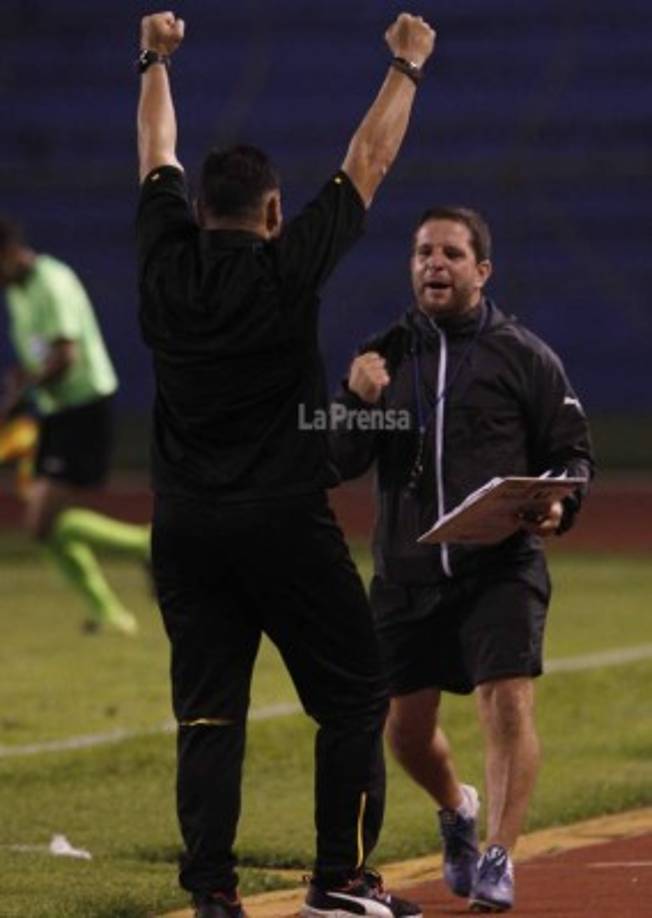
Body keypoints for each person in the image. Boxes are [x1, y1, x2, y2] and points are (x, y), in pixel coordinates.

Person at [135, 9, 436, 918]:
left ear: (195, 211)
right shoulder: (286, 266)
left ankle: (212, 895)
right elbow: (369, 160)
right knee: (355, 696)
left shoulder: (163, 261)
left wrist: (153, 59)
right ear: (273, 215)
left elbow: (155, 149)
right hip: (283, 524)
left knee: (207, 714)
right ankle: (340, 881)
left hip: (184, 528)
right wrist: (406, 67)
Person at [328, 206, 594, 913]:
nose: (434, 264)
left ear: (482, 270)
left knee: (506, 701)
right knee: (406, 733)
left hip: (500, 566)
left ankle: (499, 856)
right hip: (407, 575)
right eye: (423, 253)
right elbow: (338, 459)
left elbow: (572, 453)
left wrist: (559, 505)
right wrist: (353, 401)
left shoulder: (523, 355)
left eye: (450, 253)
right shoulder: (382, 356)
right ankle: (456, 808)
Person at [0, 217, 151, 634]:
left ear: (8, 254)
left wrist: (20, 396)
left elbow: (65, 356)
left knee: (41, 522)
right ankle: (111, 611)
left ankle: (145, 547)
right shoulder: (16, 291)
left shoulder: (52, 281)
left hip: (84, 406)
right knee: (43, 525)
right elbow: (39, 355)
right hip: (57, 410)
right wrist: (20, 381)